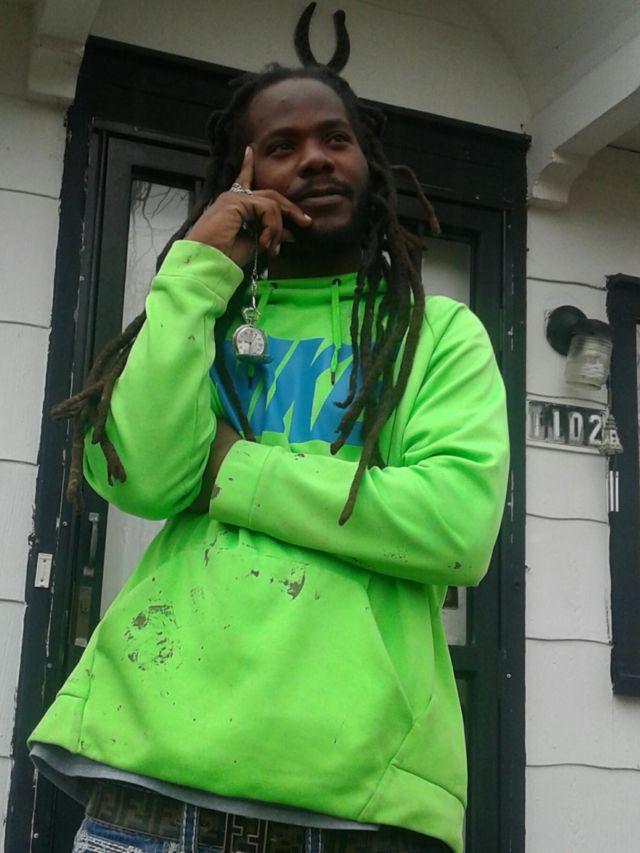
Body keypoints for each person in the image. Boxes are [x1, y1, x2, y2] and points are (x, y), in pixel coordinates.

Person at [29, 64, 509, 853]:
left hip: (356, 803)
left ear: (368, 163)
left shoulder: (438, 333)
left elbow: (454, 527)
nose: (315, 158)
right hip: (149, 784)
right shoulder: (203, 320)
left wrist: (231, 470)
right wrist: (195, 272)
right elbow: (141, 478)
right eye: (281, 146)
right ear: (241, 178)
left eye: (335, 139)